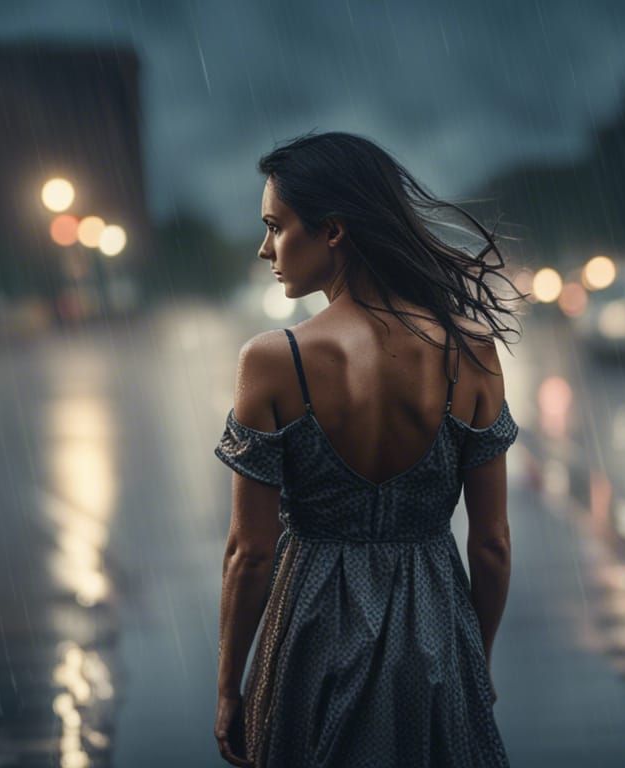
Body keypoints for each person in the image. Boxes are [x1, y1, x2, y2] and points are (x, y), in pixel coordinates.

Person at [213, 131, 523, 767]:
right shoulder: (472, 352)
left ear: (332, 231)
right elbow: (491, 544)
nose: (265, 246)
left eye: (276, 225)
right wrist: (475, 657)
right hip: (434, 634)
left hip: (309, 635)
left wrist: (229, 688)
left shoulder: (274, 361)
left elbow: (251, 551)